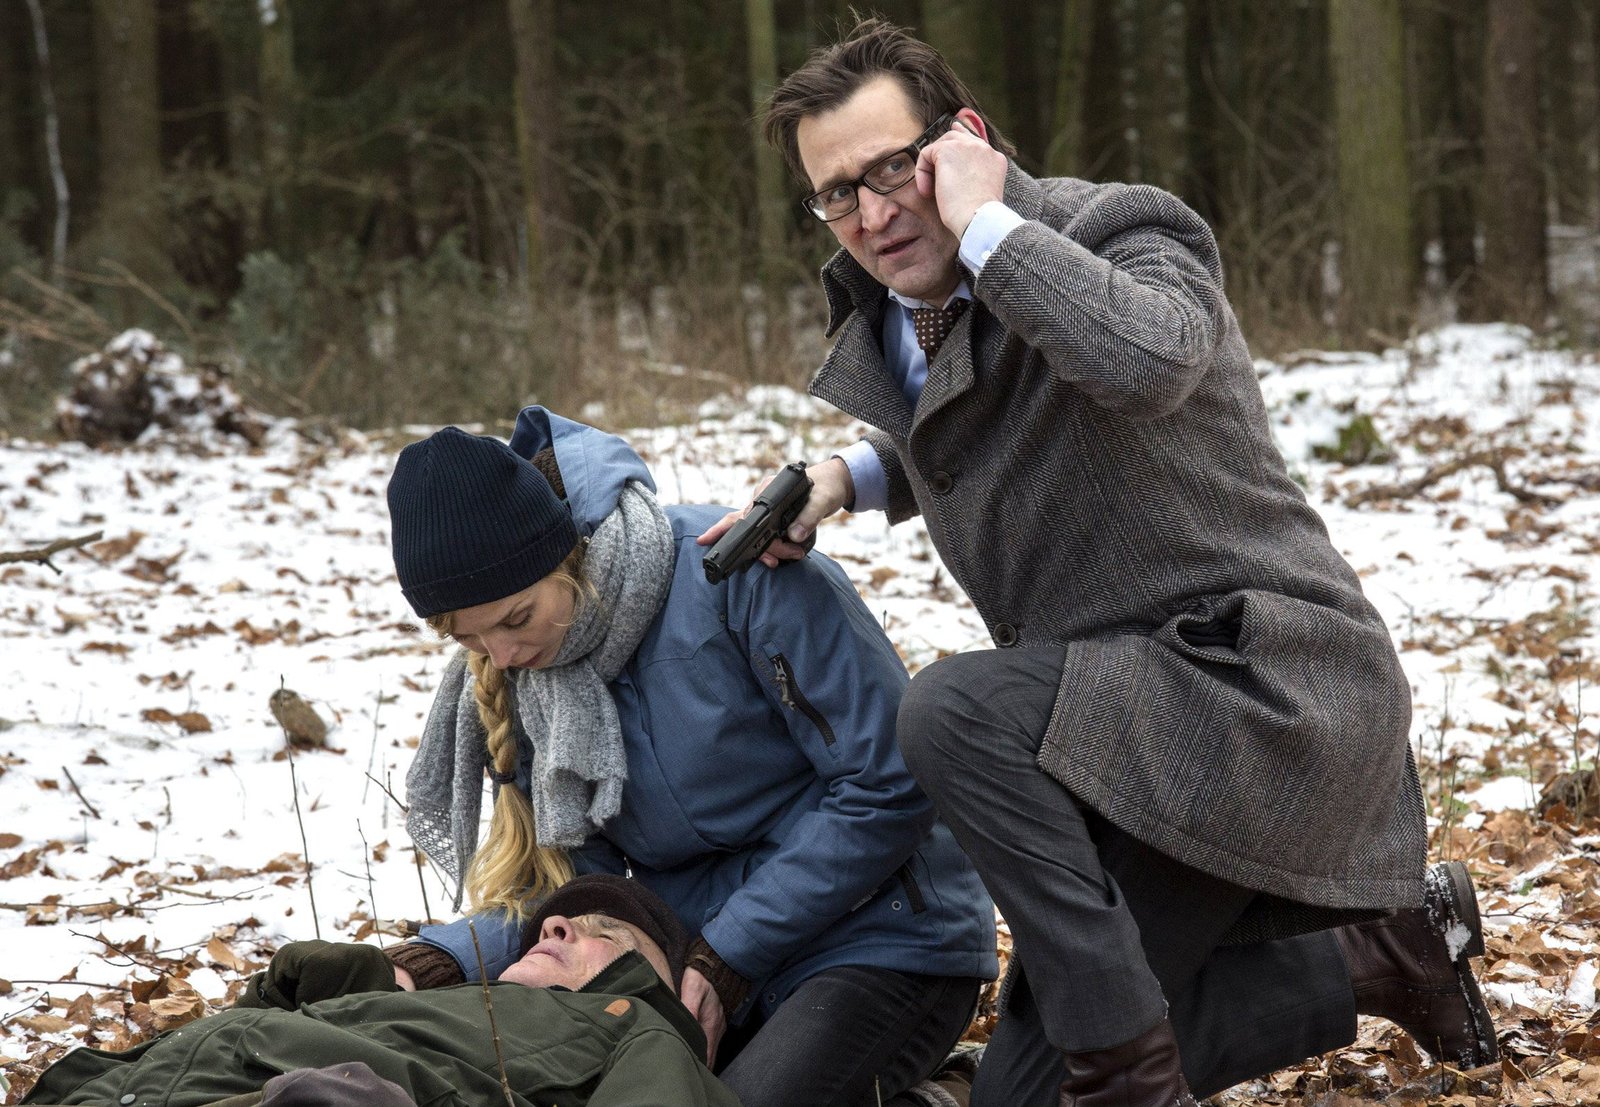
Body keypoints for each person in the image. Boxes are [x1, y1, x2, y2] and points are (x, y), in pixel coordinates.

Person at [700, 17, 1498, 1107]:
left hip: (1261, 696)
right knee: (1022, 1096)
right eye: (836, 193)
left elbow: (1147, 359)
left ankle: (1136, 1082)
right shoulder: (910, 314)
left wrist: (987, 223)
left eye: (892, 168)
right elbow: (976, 409)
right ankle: (1386, 952)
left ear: (965, 138)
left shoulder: (1116, 229)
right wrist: (852, 473)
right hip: (1121, 739)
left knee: (953, 712)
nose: (872, 214)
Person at [380, 407, 996, 1107]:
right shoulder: (535, 675)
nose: (503, 655)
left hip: (883, 937)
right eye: (469, 639)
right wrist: (444, 960)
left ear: (567, 557)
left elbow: (892, 783)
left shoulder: (740, 574)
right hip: (698, 966)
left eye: (517, 618)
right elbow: (577, 882)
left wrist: (733, 949)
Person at [22, 875, 739, 1107]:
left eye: (605, 929)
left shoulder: (640, 1030)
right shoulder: (454, 1006)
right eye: (553, 921)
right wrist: (291, 991)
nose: (556, 924)